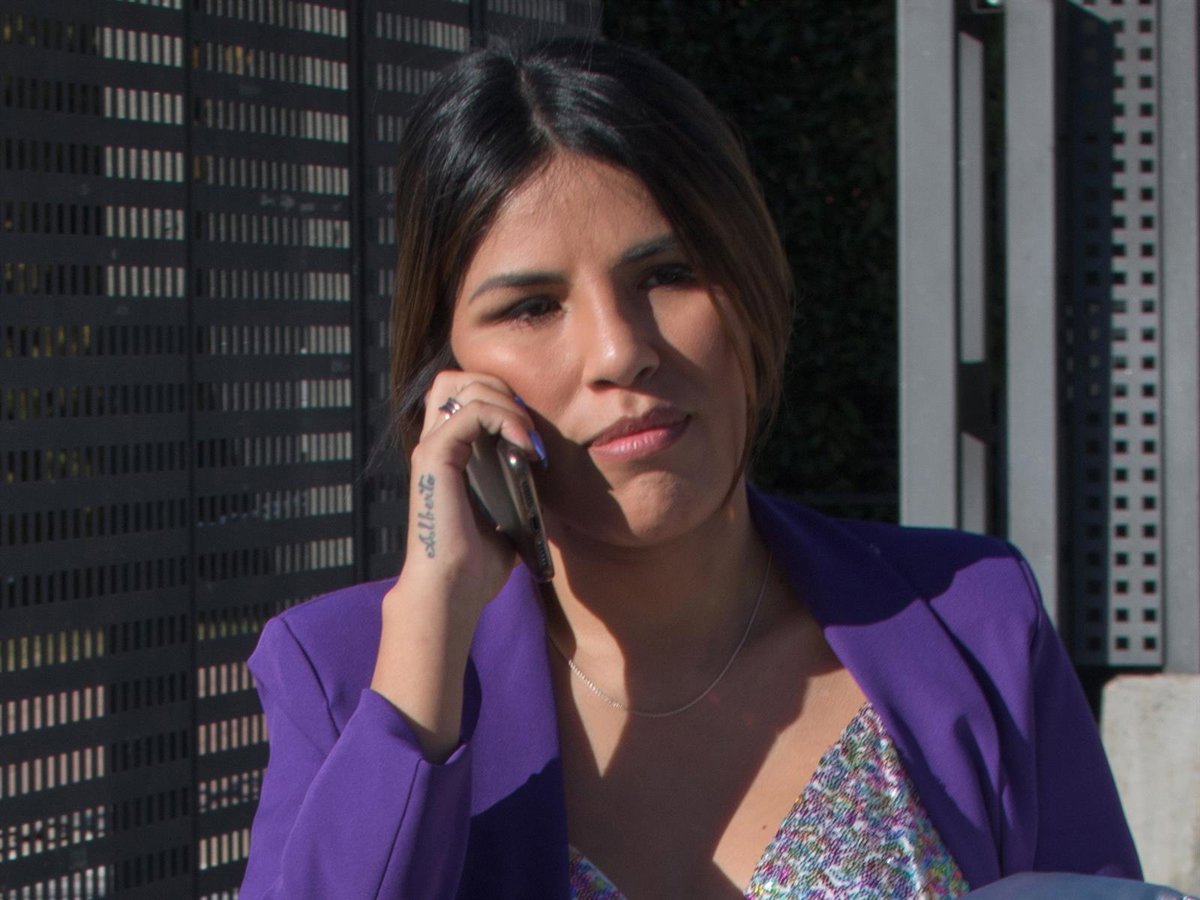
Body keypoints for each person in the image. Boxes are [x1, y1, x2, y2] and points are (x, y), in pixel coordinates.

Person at [239, 38, 1141, 899]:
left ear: (748, 285)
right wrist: (425, 652)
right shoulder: (345, 676)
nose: (619, 350)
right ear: (451, 373)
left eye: (667, 273)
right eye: (532, 306)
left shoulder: (973, 620)